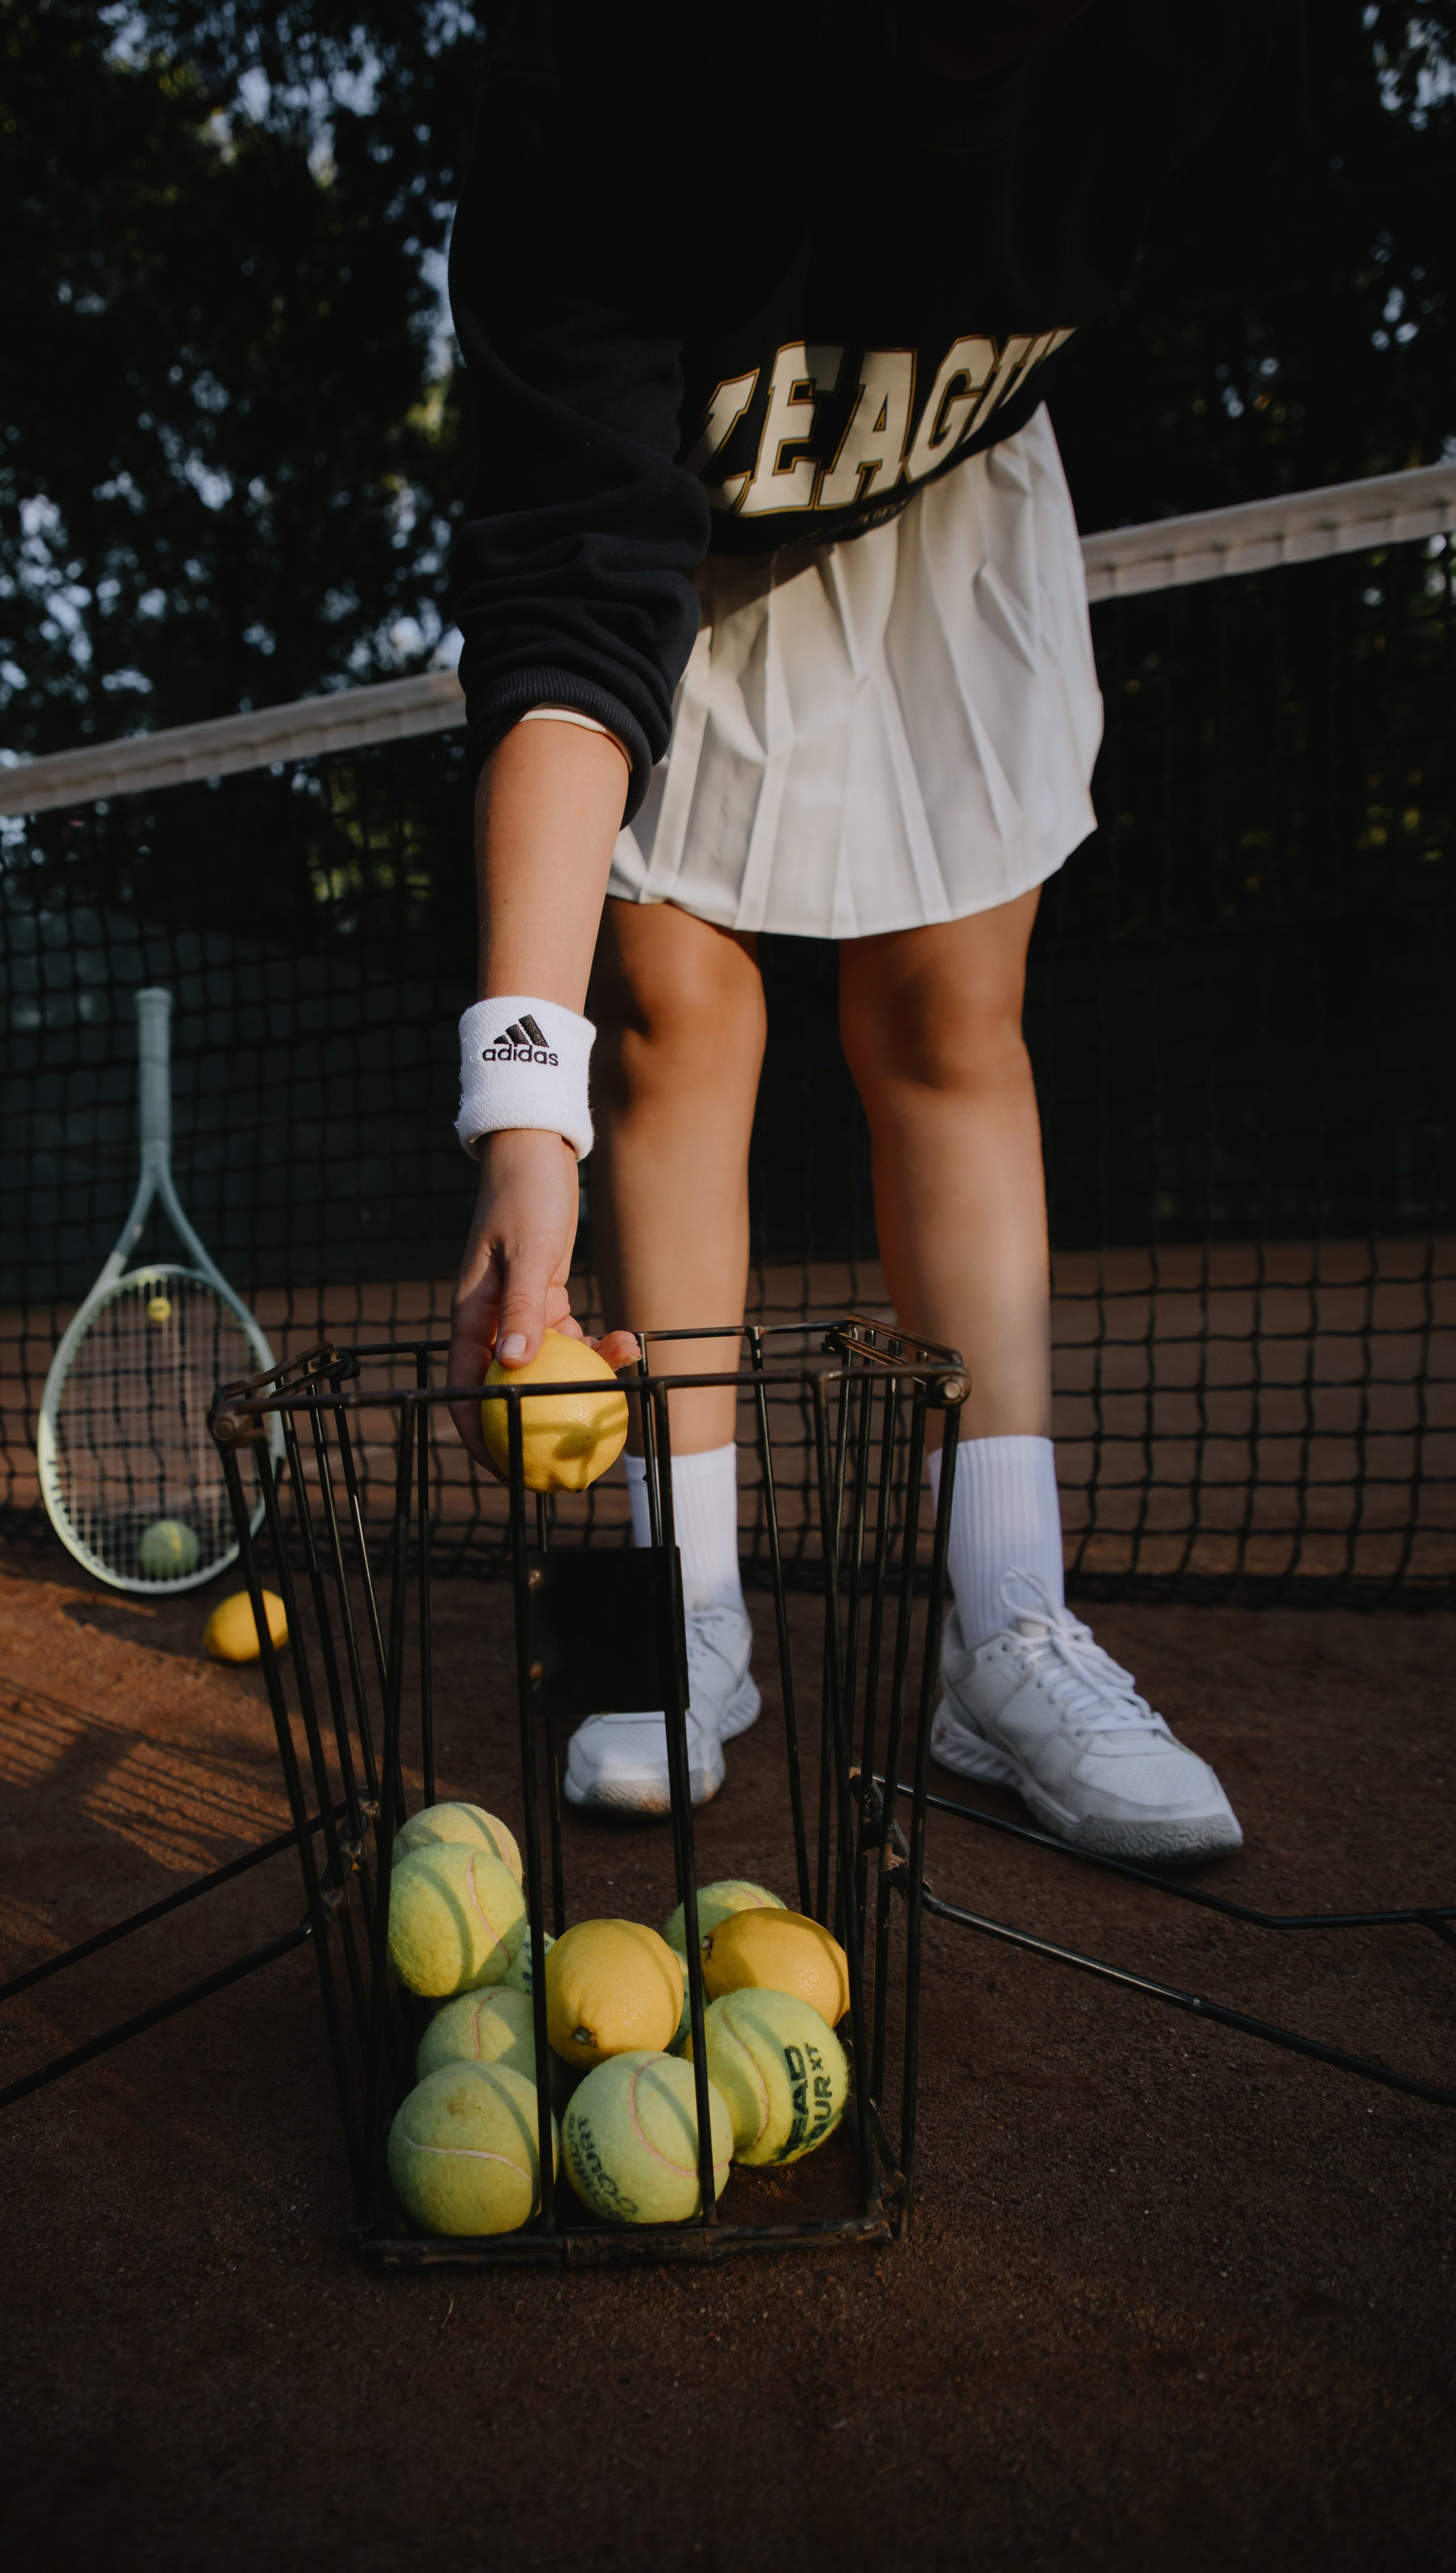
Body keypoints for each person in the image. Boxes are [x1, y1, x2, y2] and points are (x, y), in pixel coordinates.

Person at [444, 0, 1301, 1860]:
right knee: (672, 1008)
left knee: (950, 1015)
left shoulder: (1202, 60)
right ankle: (693, 1611)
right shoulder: (595, 84)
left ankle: (1006, 1626)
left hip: (952, 485)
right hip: (695, 529)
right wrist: (526, 1107)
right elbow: (567, 604)